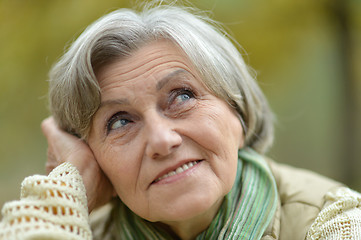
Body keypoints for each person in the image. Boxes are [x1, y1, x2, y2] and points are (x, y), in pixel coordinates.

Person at [1, 2, 361, 240]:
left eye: (182, 97)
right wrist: (64, 192)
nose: (162, 140)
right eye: (120, 122)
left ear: (237, 111)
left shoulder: (332, 222)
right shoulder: (72, 231)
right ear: (93, 155)